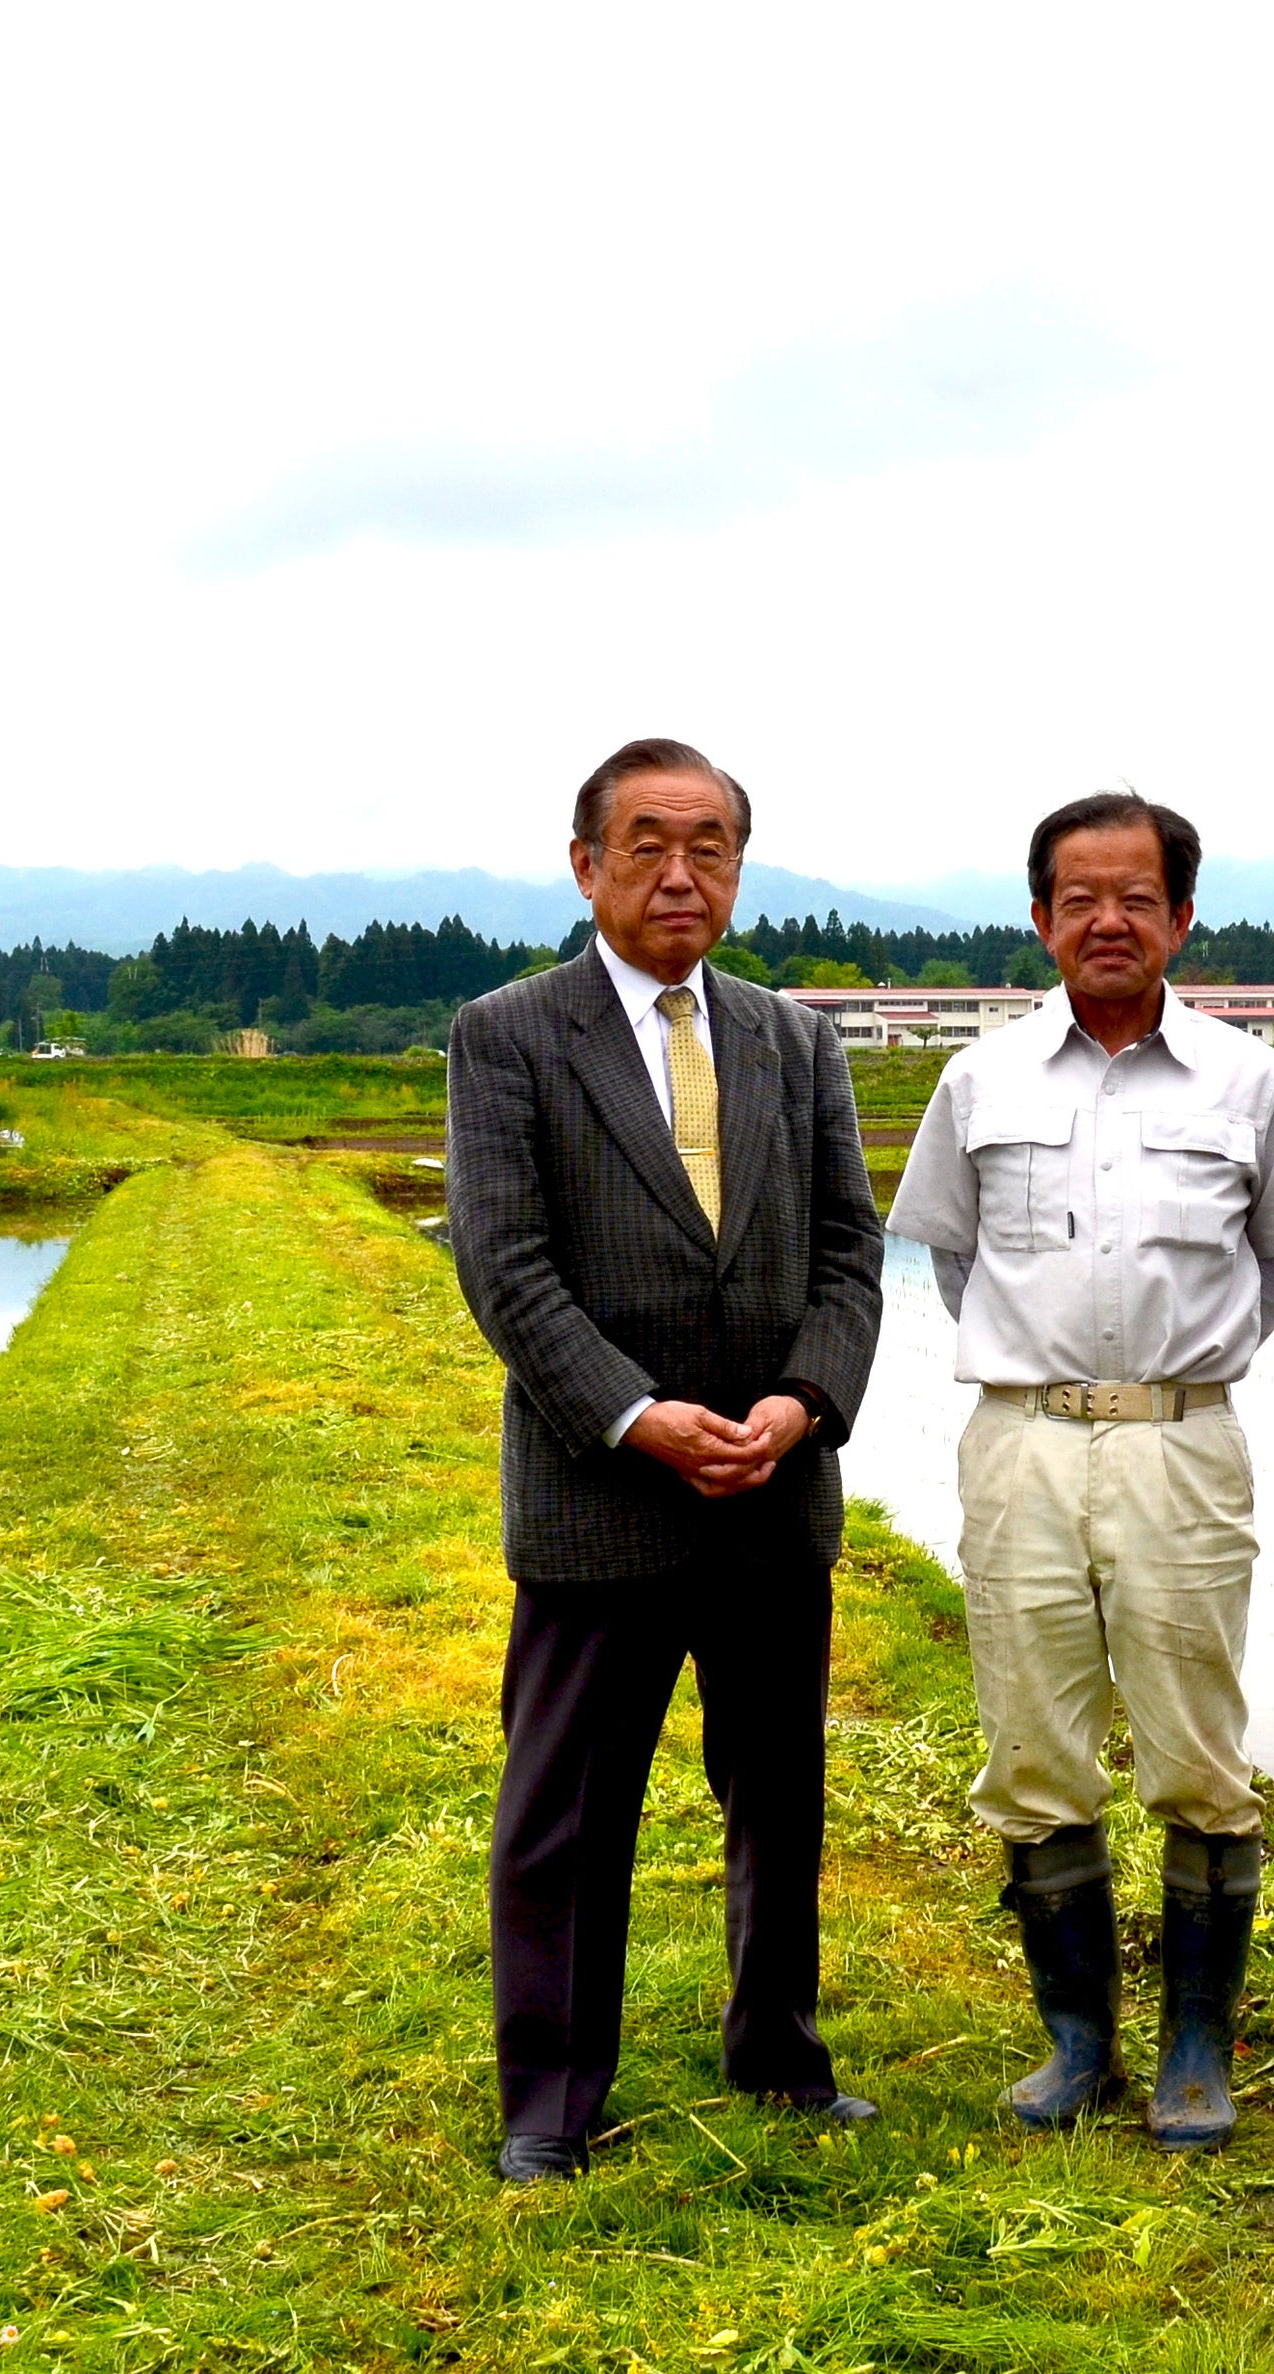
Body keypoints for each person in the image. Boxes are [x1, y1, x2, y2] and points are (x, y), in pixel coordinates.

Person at [442, 735, 886, 2184]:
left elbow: (847, 1252)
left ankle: (777, 2050)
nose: (680, 872)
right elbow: (508, 1267)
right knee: (566, 1814)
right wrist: (635, 1415)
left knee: (777, 1792)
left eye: (710, 845)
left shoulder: (792, 1037)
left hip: (773, 1491)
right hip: (600, 1498)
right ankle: (552, 2100)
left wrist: (805, 1401)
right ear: (586, 865)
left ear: (740, 867)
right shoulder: (511, 1033)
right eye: (646, 843)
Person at [885, 793, 1274, 2150]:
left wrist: (1176, 1375)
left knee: (1199, 1752)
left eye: (1137, 896)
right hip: (1020, 1439)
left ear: (1182, 917)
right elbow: (952, 1257)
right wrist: (1052, 1370)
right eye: (1079, 897)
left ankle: (1196, 2043)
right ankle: (1078, 2040)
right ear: (1041, 919)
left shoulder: (1248, 1081)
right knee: (1030, 1745)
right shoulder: (982, 1080)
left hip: (1181, 1444)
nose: (1108, 920)